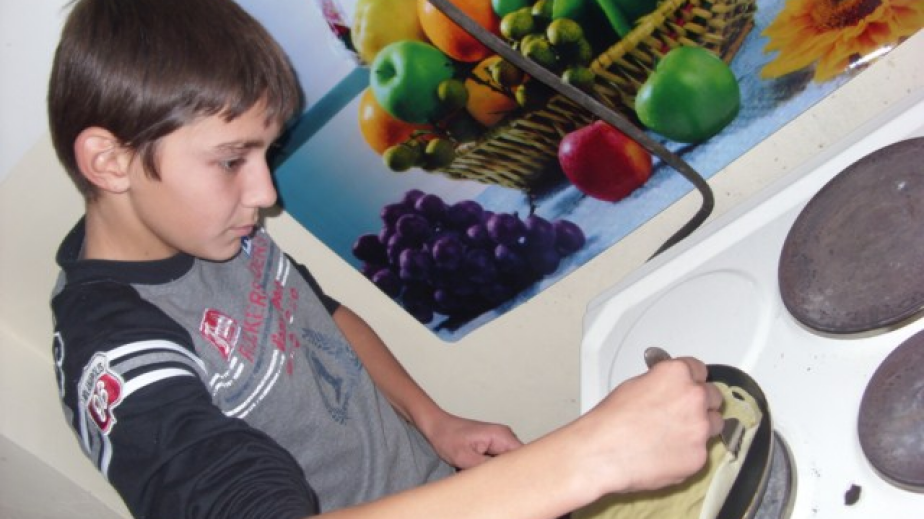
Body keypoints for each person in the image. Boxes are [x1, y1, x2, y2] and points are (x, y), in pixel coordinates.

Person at [46, 0, 725, 518]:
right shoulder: (113, 350)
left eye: (264, 154)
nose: (265, 194)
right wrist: (593, 455)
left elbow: (321, 313)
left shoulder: (209, 223)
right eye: (230, 161)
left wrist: (433, 421)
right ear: (110, 161)